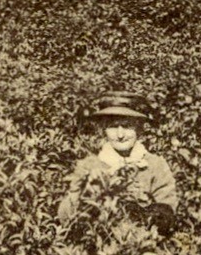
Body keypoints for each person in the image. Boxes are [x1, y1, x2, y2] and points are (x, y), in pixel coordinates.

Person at [56, 92, 178, 231]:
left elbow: (168, 214)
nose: (120, 135)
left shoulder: (154, 165)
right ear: (104, 129)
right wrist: (83, 190)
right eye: (113, 126)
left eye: (127, 126)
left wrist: (146, 213)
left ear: (139, 128)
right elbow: (65, 219)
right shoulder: (89, 165)